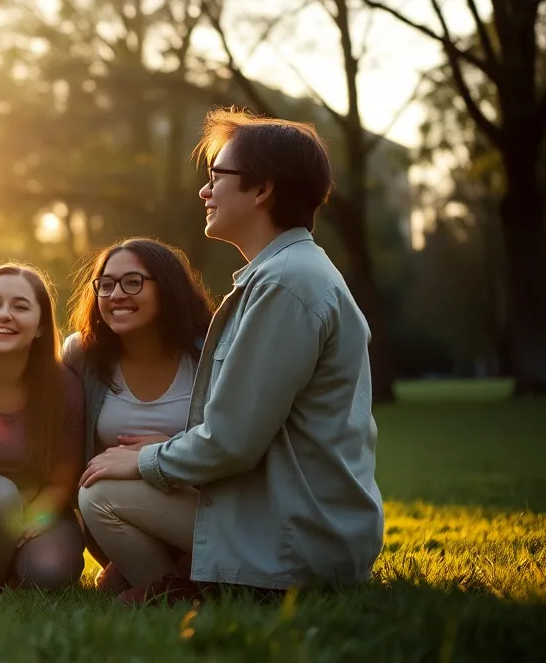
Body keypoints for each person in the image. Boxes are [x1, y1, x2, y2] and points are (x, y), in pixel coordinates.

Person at [86, 108, 384, 605]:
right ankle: (191, 572)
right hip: (288, 513)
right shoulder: (286, 273)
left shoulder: (287, 284)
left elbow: (230, 444)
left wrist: (143, 459)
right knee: (113, 488)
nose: (204, 192)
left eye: (216, 177)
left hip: (298, 538)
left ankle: (209, 589)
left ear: (262, 189)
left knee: (100, 494)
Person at [64, 238, 213, 598]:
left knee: (100, 492)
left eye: (133, 282)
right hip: (128, 514)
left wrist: (164, 450)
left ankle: (179, 584)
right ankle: (173, 588)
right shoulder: (82, 355)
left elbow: (236, 441)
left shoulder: (210, 352)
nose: (116, 294)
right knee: (95, 489)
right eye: (106, 284)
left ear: (168, 288)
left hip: (209, 507)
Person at [0, 264, 85, 591]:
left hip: (41, 509)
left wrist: (31, 518)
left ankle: (23, 570)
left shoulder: (63, 384)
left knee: (49, 574)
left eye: (20, 306)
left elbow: (63, 479)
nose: (4, 314)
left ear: (39, 326)